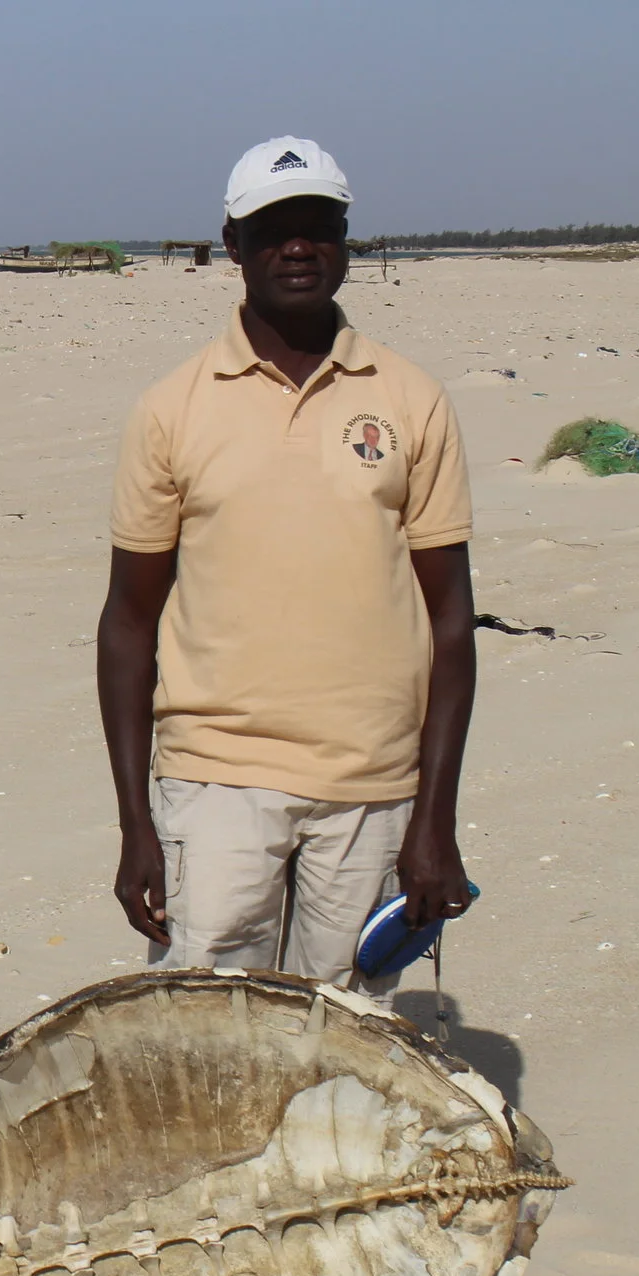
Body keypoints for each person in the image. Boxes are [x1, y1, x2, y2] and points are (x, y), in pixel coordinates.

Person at [97, 137, 476, 990]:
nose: (297, 247)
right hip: (216, 781)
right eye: (273, 230)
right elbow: (127, 622)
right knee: (208, 1040)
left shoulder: (410, 399)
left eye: (317, 226)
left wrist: (435, 821)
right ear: (232, 245)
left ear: (346, 239)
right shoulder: (171, 409)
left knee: (342, 1046)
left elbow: (452, 620)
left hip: (374, 787)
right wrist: (135, 825)